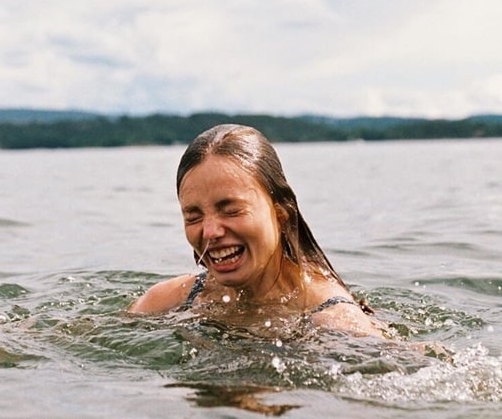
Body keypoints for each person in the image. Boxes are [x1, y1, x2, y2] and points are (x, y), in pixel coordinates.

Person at [129, 124, 385, 337]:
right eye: (193, 217)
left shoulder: (335, 322)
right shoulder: (168, 300)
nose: (209, 232)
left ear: (281, 215)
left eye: (231, 210)